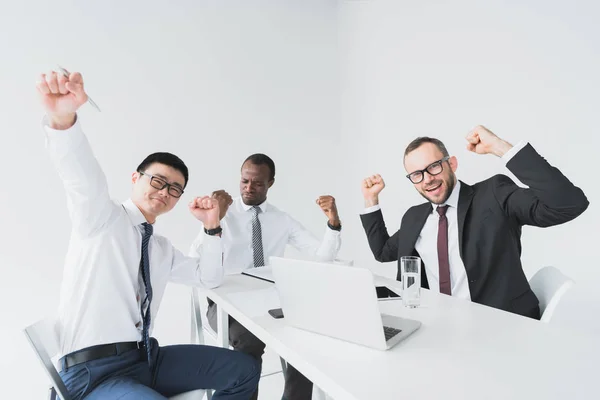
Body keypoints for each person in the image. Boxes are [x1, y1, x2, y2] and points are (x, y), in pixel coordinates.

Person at [37, 69, 259, 399]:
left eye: (175, 188)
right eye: (157, 180)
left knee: (244, 370)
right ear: (135, 178)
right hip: (92, 375)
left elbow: (209, 278)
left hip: (146, 360)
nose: (164, 191)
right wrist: (64, 120)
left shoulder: (159, 248)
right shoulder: (101, 218)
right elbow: (81, 177)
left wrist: (212, 226)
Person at [360, 125, 588, 318]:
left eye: (433, 166)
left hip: (501, 327)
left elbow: (568, 204)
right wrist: (371, 199)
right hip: (439, 325)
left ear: (452, 164)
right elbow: (382, 252)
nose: (427, 179)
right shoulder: (414, 216)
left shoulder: (494, 194)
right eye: (417, 174)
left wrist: (500, 147)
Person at [189, 153, 342, 400]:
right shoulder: (222, 212)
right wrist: (215, 219)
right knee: (250, 340)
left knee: (304, 338)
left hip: (270, 301)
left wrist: (333, 223)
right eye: (244, 181)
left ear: (270, 183)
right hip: (225, 304)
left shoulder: (281, 219)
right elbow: (194, 258)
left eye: (258, 183)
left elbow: (322, 255)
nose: (249, 188)